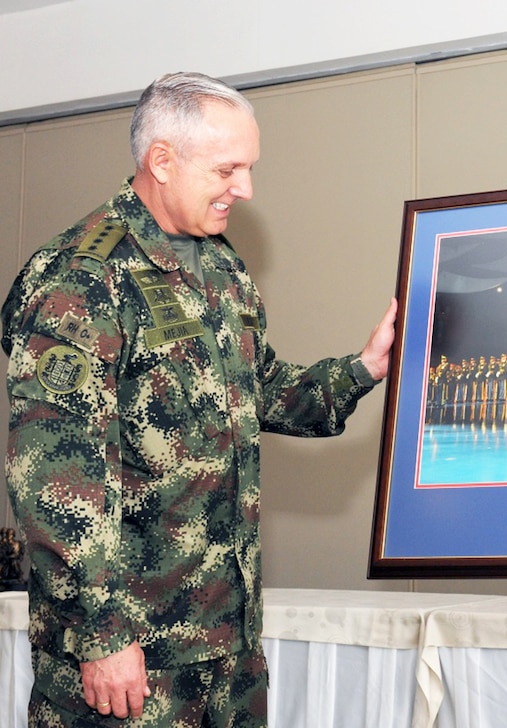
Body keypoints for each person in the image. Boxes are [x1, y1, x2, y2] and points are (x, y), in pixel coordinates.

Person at [2, 71, 397, 726]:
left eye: (247, 167)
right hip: (133, 659)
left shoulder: (219, 266)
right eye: (227, 169)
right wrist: (101, 636)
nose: (245, 188)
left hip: (226, 650)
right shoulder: (81, 278)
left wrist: (363, 369)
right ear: (162, 159)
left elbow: (256, 389)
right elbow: (53, 476)